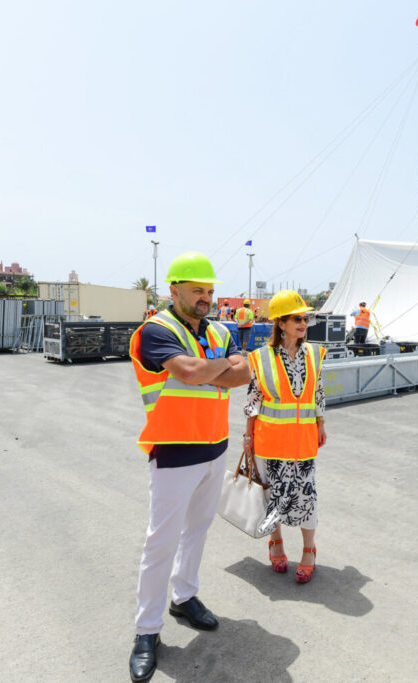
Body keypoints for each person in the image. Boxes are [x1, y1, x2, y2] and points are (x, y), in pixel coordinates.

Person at [126, 252, 250, 683]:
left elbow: (244, 373)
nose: (206, 298)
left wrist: (215, 370)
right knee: (160, 541)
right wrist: (220, 368)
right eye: (197, 290)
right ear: (173, 289)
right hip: (175, 451)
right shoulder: (156, 331)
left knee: (197, 531)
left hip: (214, 449)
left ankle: (185, 596)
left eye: (210, 291)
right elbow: (191, 372)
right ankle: (147, 631)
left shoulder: (218, 328)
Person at [243, 290, 327, 584]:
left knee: (306, 497)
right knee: (272, 495)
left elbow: (317, 393)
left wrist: (320, 422)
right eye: (296, 318)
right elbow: (253, 401)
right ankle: (276, 543)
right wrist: (247, 437)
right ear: (280, 323)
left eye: (305, 318)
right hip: (269, 441)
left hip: (303, 443)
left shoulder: (315, 354)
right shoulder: (258, 358)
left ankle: (308, 551)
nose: (303, 323)